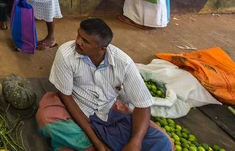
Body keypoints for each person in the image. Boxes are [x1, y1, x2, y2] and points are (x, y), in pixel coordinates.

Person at [37, 18, 173, 151]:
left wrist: (135, 143)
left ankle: (87, 145)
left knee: (163, 142)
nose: (78, 42)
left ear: (101, 49)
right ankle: (97, 145)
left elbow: (143, 104)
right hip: (76, 110)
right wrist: (99, 144)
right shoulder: (66, 54)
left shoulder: (124, 63)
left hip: (110, 114)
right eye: (79, 35)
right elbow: (66, 97)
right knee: (47, 118)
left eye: (85, 41)